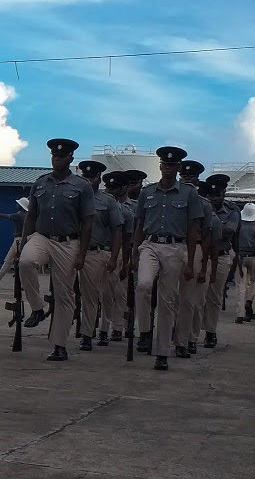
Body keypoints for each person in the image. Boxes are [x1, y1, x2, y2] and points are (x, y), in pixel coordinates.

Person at [16, 138, 94, 361]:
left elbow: (88, 221)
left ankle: (59, 345)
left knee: (64, 295)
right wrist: (24, 243)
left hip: (68, 242)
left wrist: (82, 253)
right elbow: (31, 215)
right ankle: (38, 307)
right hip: (42, 236)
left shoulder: (81, 186)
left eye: (61, 156)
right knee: (25, 262)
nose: (57, 159)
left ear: (70, 158)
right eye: (54, 156)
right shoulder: (40, 183)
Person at [131, 146, 203, 371]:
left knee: (167, 302)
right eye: (165, 165)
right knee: (143, 286)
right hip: (150, 245)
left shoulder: (189, 194)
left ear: (178, 168)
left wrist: (190, 262)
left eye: (173, 166)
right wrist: (134, 253)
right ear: (160, 166)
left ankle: (162, 352)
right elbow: (139, 225)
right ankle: (144, 331)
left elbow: (193, 229)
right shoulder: (147, 192)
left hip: (175, 248)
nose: (168, 169)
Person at [74, 161, 122, 352]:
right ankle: (86, 333)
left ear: (98, 179)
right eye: (84, 177)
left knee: (104, 295)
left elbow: (117, 231)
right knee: (87, 296)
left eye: (91, 177)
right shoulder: (74, 199)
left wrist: (113, 258)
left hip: (100, 252)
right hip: (77, 252)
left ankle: (101, 329)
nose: (88, 181)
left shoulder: (108, 201)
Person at [173, 160, 212, 357]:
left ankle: (191, 337)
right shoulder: (171, 198)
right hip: (173, 247)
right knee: (171, 297)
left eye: (191, 176)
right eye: (184, 176)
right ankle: (174, 334)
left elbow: (206, 237)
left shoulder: (204, 205)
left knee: (192, 300)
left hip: (195, 249)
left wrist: (204, 266)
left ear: (197, 179)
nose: (187, 179)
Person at [200, 174, 239, 347]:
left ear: (224, 194)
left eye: (218, 195)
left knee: (214, 296)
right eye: (211, 195)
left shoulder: (232, 210)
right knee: (194, 296)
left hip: (222, 255)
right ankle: (189, 333)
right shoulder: (200, 207)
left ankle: (210, 332)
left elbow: (229, 231)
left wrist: (208, 229)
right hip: (200, 255)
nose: (214, 198)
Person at [98, 171, 134, 344]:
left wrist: (126, 263)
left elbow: (128, 240)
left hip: (119, 253)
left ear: (124, 189)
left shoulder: (128, 210)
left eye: (115, 188)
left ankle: (118, 327)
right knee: (104, 294)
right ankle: (103, 328)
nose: (110, 190)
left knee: (120, 293)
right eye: (108, 187)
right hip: (101, 251)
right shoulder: (99, 205)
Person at [0, 197, 29, 287]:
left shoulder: (18, 215)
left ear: (20, 206)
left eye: (18, 204)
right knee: (19, 262)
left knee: (9, 259)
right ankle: (20, 283)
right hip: (25, 239)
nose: (16, 205)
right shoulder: (27, 216)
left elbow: (4, 216)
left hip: (18, 240)